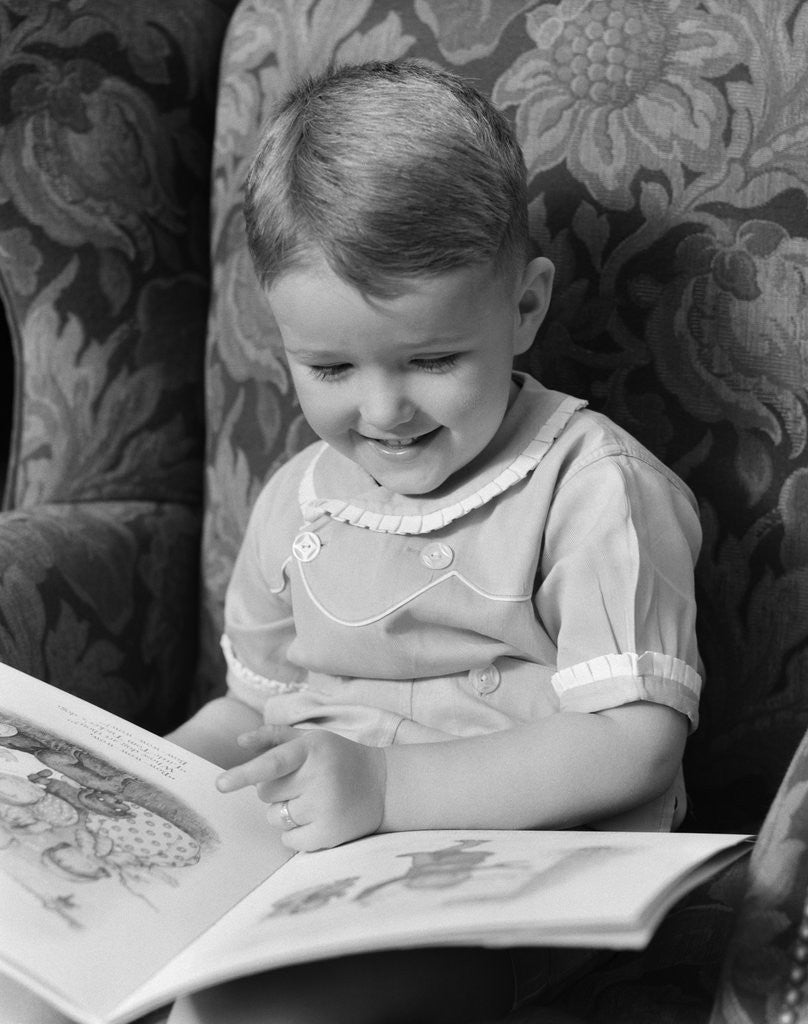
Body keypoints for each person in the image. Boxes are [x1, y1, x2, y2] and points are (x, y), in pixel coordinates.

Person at [167, 58, 702, 1023]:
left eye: (435, 359)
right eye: (328, 367)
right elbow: (251, 715)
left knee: (250, 1015)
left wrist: (384, 787)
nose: (384, 411)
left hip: (503, 887)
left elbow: (636, 743)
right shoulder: (299, 502)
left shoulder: (591, 488)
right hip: (314, 867)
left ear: (525, 306)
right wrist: (158, 780)